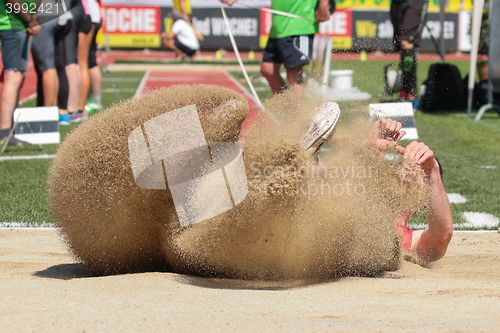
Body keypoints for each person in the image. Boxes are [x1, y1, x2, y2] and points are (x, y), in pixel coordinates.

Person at [368, 118, 453, 262]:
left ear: (420, 200)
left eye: (419, 173)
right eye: (405, 164)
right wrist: (369, 144)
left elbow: (441, 237)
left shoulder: (402, 241)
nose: (409, 171)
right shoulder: (365, 188)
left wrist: (432, 171)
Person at [221, 0, 331, 94]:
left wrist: (323, 4)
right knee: (267, 70)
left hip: (299, 25)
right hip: (279, 27)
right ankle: (288, 110)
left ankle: (303, 116)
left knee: (294, 75)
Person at [0, 0, 40, 145]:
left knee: (17, 76)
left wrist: (33, 18)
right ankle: (4, 131)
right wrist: (30, 19)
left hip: (18, 23)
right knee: (13, 75)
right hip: (11, 23)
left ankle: (8, 130)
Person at [390, 0, 426, 106]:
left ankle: (411, 92)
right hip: (397, 3)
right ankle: (405, 90)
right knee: (402, 48)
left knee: (406, 43)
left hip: (413, 3)